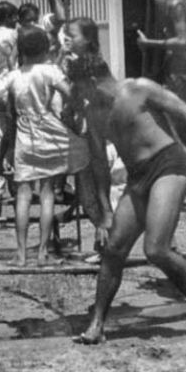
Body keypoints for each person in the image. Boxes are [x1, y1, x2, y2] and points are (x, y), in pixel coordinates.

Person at [68, 55, 186, 344]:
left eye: (78, 87)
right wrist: (105, 213)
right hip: (137, 178)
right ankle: (97, 325)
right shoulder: (94, 114)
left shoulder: (140, 88)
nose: (76, 94)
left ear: (90, 82)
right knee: (113, 249)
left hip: (168, 166)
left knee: (156, 248)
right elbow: (99, 164)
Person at [0, 26, 90, 266]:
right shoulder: (49, 71)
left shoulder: (14, 76)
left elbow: (1, 103)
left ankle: (20, 253)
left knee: (24, 195)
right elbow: (70, 95)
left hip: (24, 137)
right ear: (44, 48)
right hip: (48, 130)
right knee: (47, 193)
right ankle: (42, 252)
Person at [60, 17, 115, 256]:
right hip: (86, 137)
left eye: (73, 35)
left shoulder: (95, 70)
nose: (67, 39)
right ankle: (103, 242)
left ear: (89, 39)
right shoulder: (75, 66)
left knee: (101, 193)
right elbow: (72, 102)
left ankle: (107, 238)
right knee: (86, 194)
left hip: (102, 140)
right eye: (66, 35)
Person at [0, 0, 19, 197]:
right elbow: (13, 63)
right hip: (10, 88)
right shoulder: (13, 36)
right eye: (14, 16)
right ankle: (13, 176)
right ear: (8, 18)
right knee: (13, 135)